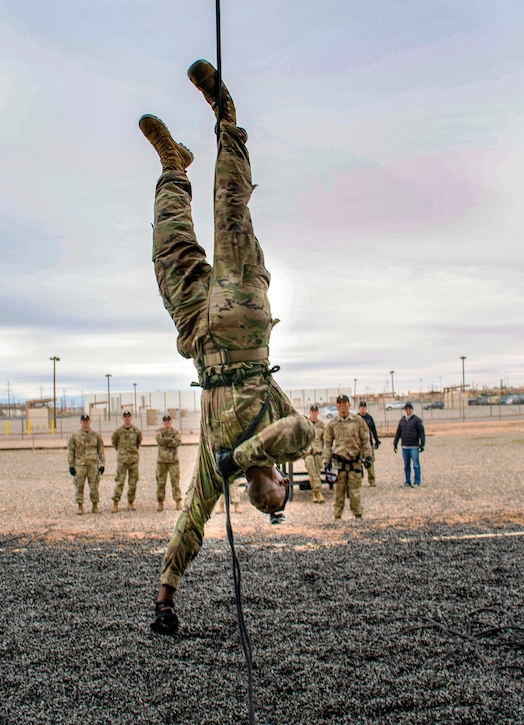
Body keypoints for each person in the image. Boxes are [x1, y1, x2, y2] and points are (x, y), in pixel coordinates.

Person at [141, 59, 313, 635]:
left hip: (200, 340)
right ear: (283, 482)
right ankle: (228, 121)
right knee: (230, 210)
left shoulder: (219, 473)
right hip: (243, 323)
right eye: (278, 503)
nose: (268, 504)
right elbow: (299, 434)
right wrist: (241, 459)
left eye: (263, 506)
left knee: (171, 251)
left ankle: (173, 168)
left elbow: (192, 519)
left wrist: (166, 596)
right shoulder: (281, 435)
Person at [322, 394, 372, 520]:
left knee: (355, 492)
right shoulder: (332, 423)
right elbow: (327, 444)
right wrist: (326, 461)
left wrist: (368, 457)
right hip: (339, 463)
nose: (342, 406)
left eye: (344, 403)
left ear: (349, 405)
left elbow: (366, 440)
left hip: (354, 462)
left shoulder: (358, 421)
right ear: (336, 406)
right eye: (339, 403)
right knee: (339, 491)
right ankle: (337, 515)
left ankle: (358, 515)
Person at [68, 413, 105, 515]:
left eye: (87, 421)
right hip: (80, 464)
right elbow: (71, 450)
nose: (85, 423)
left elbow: (100, 450)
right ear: (80, 422)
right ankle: (80, 506)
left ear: (90, 421)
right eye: (83, 421)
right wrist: (71, 465)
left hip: (93, 464)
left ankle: (95, 506)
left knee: (94, 486)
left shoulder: (96, 435)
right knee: (79, 486)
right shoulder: (75, 435)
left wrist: (102, 464)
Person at [111, 410, 142, 512]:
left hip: (133, 460)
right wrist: (121, 452)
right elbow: (114, 443)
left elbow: (138, 442)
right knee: (120, 482)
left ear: (131, 418)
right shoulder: (118, 432)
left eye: (128, 416)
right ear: (122, 418)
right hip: (122, 461)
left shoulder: (136, 431)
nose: (127, 418)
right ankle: (115, 502)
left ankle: (130, 502)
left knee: (133, 483)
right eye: (125, 417)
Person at [393, 402, 426, 487]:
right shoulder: (402, 420)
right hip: (404, 446)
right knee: (406, 465)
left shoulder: (417, 420)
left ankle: (417, 481)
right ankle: (408, 481)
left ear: (412, 409)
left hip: (414, 446)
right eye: (406, 408)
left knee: (416, 464)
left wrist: (422, 444)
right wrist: (395, 443)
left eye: (409, 408)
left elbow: (421, 433)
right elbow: (398, 433)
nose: (408, 410)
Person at [154, 414, 183, 511]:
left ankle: (178, 501)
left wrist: (166, 441)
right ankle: (160, 502)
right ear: (163, 423)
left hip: (173, 461)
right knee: (161, 482)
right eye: (165, 422)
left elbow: (178, 442)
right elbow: (159, 441)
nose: (167, 423)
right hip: (162, 462)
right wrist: (171, 440)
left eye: (168, 421)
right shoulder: (159, 432)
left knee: (175, 482)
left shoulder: (176, 432)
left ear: (171, 422)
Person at [302, 405, 327, 503]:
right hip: (308, 453)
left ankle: (315, 493)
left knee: (317, 471)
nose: (314, 413)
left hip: (318, 452)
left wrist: (325, 453)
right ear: (309, 413)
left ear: (317, 413)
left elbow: (325, 440)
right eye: (312, 411)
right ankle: (318, 491)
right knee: (312, 469)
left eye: (315, 411)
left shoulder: (321, 425)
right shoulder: (305, 424)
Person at [357, 400, 380, 487]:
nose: (362, 409)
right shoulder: (356, 419)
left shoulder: (369, 418)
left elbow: (373, 430)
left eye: (364, 407)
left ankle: (372, 480)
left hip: (368, 444)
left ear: (366, 408)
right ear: (359, 408)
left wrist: (376, 441)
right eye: (361, 407)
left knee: (370, 462)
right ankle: (358, 481)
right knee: (358, 464)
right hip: (358, 445)